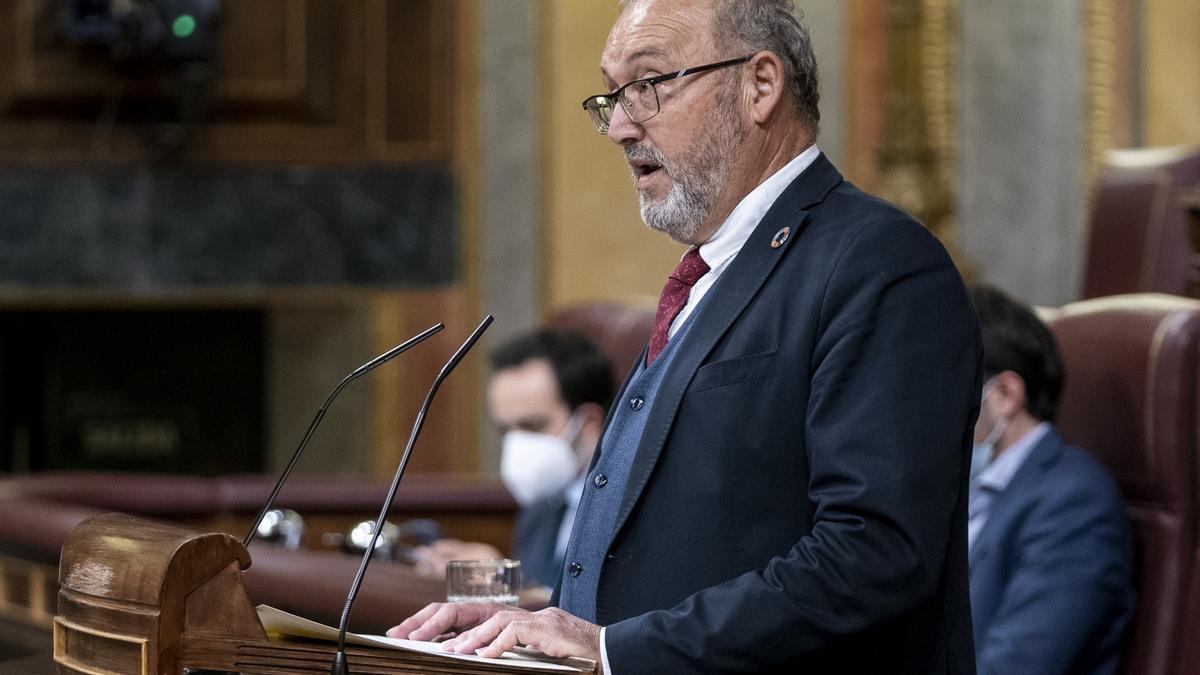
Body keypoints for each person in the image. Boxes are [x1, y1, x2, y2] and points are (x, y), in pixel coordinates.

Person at [390, 1, 982, 672]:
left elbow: (873, 551)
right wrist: (534, 617)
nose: (618, 125)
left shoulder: (878, 263)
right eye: (612, 94)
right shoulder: (706, 276)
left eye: (648, 85)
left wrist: (615, 649)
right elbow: (673, 551)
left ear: (759, 85)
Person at [967, 284, 1134, 674]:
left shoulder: (1075, 505)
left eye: (946, 387)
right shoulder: (964, 487)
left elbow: (1015, 667)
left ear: (1005, 394)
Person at [415, 329, 614, 591]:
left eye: (532, 426)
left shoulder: (627, 507)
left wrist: (503, 578)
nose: (518, 445)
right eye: (505, 430)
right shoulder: (540, 505)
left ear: (589, 423)